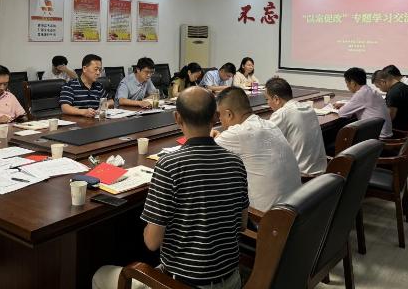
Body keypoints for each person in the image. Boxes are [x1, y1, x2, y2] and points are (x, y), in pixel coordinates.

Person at [92, 87, 248, 289]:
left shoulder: (170, 165)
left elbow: (151, 243)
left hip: (181, 283)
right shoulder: (236, 162)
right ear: (216, 117)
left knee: (100, 275)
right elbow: (242, 224)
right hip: (232, 280)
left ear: (177, 117)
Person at [214, 86, 301, 212]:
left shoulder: (237, 133)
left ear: (229, 114)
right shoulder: (270, 124)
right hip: (297, 208)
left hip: (266, 218)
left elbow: (202, 151)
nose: (220, 120)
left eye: (219, 115)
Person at [265, 77, 327, 175]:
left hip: (302, 176)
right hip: (321, 172)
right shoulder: (308, 108)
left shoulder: (283, 113)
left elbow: (264, 141)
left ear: (276, 99)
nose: (267, 103)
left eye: (267, 99)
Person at [335, 67, 393, 138]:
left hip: (378, 137)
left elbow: (342, 113)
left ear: (353, 83)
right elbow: (361, 103)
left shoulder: (361, 94)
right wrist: (345, 104)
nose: (347, 86)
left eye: (347, 83)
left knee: (343, 136)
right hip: (385, 133)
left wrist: (343, 106)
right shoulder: (369, 91)